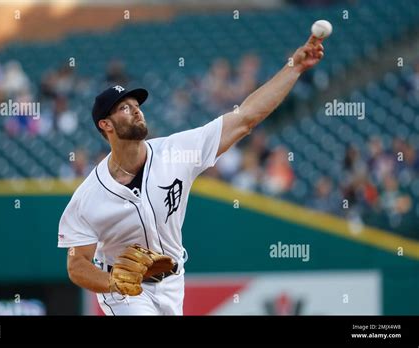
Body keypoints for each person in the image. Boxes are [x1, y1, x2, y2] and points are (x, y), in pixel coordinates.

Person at [57, 35, 325, 315]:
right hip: (124, 293)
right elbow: (77, 265)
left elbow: (245, 118)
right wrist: (112, 282)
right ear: (105, 125)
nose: (136, 110)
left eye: (137, 105)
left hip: (173, 281)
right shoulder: (89, 196)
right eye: (125, 108)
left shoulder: (176, 153)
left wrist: (293, 67)